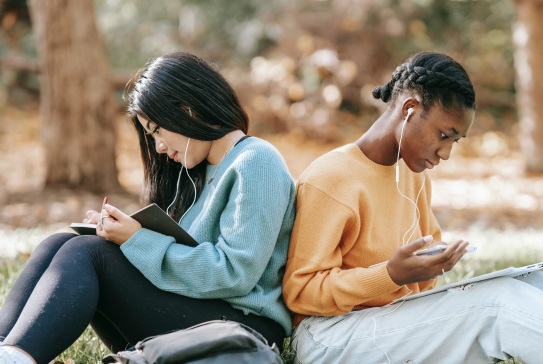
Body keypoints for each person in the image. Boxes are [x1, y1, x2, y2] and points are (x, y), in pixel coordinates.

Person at [0, 51, 296, 364]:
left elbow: (235, 274)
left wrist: (136, 240)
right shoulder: (196, 174)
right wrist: (117, 234)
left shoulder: (256, 161)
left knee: (88, 253)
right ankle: (7, 349)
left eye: (157, 130)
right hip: (193, 315)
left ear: (188, 111)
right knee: (59, 243)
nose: (158, 147)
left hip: (241, 329)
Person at [282, 51, 543, 364]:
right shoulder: (331, 178)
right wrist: (390, 274)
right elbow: (302, 293)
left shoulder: (412, 175)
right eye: (444, 135)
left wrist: (430, 266)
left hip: (389, 321)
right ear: (409, 109)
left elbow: (419, 282)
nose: (445, 153)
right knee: (498, 306)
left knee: (513, 289)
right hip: (326, 335)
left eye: (455, 141)